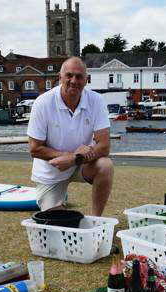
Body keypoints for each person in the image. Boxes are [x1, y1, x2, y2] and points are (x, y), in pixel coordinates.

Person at [27, 56, 113, 216]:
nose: (74, 81)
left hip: (81, 162)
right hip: (51, 170)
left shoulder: (97, 101)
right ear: (60, 78)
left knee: (105, 166)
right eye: (69, 75)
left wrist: (74, 159)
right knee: (56, 224)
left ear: (86, 80)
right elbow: (34, 149)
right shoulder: (42, 103)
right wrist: (67, 156)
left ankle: (96, 221)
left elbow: (104, 146)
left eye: (79, 76)